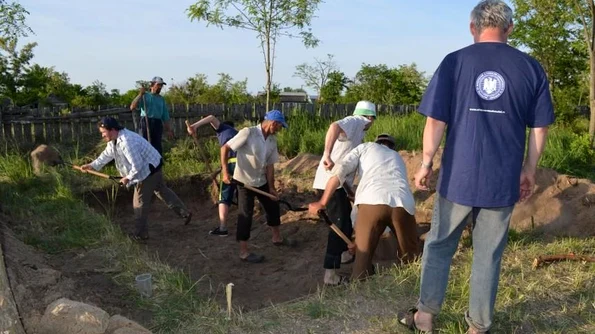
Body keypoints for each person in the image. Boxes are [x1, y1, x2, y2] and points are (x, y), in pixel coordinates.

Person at [398, 1, 554, 333]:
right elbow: (539, 128)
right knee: (488, 254)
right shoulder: (530, 68)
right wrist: (528, 169)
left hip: (458, 178)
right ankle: (478, 326)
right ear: (509, 29)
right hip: (502, 180)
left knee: (440, 244)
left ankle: (424, 317)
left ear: (473, 28)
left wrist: (426, 162)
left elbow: (436, 120)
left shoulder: (454, 62)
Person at [309, 133, 421, 281]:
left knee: (362, 262)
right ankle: (412, 287)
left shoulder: (365, 147)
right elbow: (388, 190)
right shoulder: (397, 157)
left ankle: (361, 283)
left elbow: (339, 173)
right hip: (403, 204)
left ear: (377, 142)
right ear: (392, 146)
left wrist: (322, 202)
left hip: (371, 199)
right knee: (411, 259)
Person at [81, 117, 193, 241]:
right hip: (153, 164)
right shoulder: (114, 140)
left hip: (148, 171)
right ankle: (185, 213)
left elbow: (137, 166)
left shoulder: (127, 142)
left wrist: (127, 178)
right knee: (162, 190)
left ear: (112, 129)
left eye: (103, 132)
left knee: (139, 203)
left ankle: (141, 234)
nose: (102, 135)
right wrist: (92, 165)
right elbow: (107, 155)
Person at [312, 100, 376, 285]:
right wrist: (326, 154)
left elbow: (345, 170)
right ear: (371, 117)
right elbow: (334, 126)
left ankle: (344, 256)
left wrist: (351, 191)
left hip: (338, 186)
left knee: (345, 224)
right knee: (339, 226)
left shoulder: (358, 135)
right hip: (329, 185)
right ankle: (330, 275)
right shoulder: (357, 121)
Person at [221, 110, 292, 263]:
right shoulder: (248, 133)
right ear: (273, 123)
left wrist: (271, 187)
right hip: (244, 182)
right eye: (280, 126)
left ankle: (276, 237)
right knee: (245, 215)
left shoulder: (272, 141)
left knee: (273, 206)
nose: (280, 129)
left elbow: (270, 166)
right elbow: (225, 148)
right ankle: (244, 252)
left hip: (261, 181)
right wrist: (225, 172)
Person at [187, 115, 238, 236]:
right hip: (243, 165)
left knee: (224, 197)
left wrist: (194, 126)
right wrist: (216, 173)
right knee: (244, 193)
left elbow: (211, 118)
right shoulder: (237, 133)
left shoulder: (222, 129)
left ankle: (223, 228)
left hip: (231, 164)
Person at [129, 76, 175, 155]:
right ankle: (145, 165)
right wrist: (140, 94)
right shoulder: (145, 96)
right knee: (144, 144)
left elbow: (165, 116)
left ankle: (157, 165)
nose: (160, 87)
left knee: (157, 146)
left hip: (157, 123)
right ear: (152, 85)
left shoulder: (161, 99)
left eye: (161, 85)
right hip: (146, 121)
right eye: (158, 85)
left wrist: (169, 130)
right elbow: (132, 107)